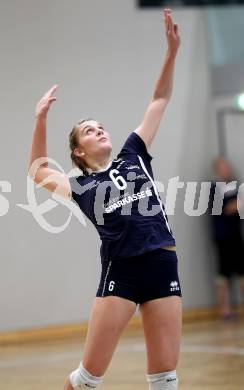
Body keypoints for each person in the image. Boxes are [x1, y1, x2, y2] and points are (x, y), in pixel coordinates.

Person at [28, 9, 181, 390]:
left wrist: (172, 52)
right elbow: (36, 170)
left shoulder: (133, 153)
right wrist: (41, 119)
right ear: (78, 151)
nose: (99, 131)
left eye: (101, 127)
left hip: (162, 261)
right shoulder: (80, 186)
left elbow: (160, 97)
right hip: (122, 272)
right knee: (86, 380)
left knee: (165, 380)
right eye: (89, 131)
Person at [209, 156, 244, 320]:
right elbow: (227, 208)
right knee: (224, 272)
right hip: (222, 236)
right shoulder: (214, 187)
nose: (227, 169)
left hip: (236, 234)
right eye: (223, 166)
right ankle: (224, 309)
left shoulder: (234, 185)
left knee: (241, 271)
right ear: (217, 169)